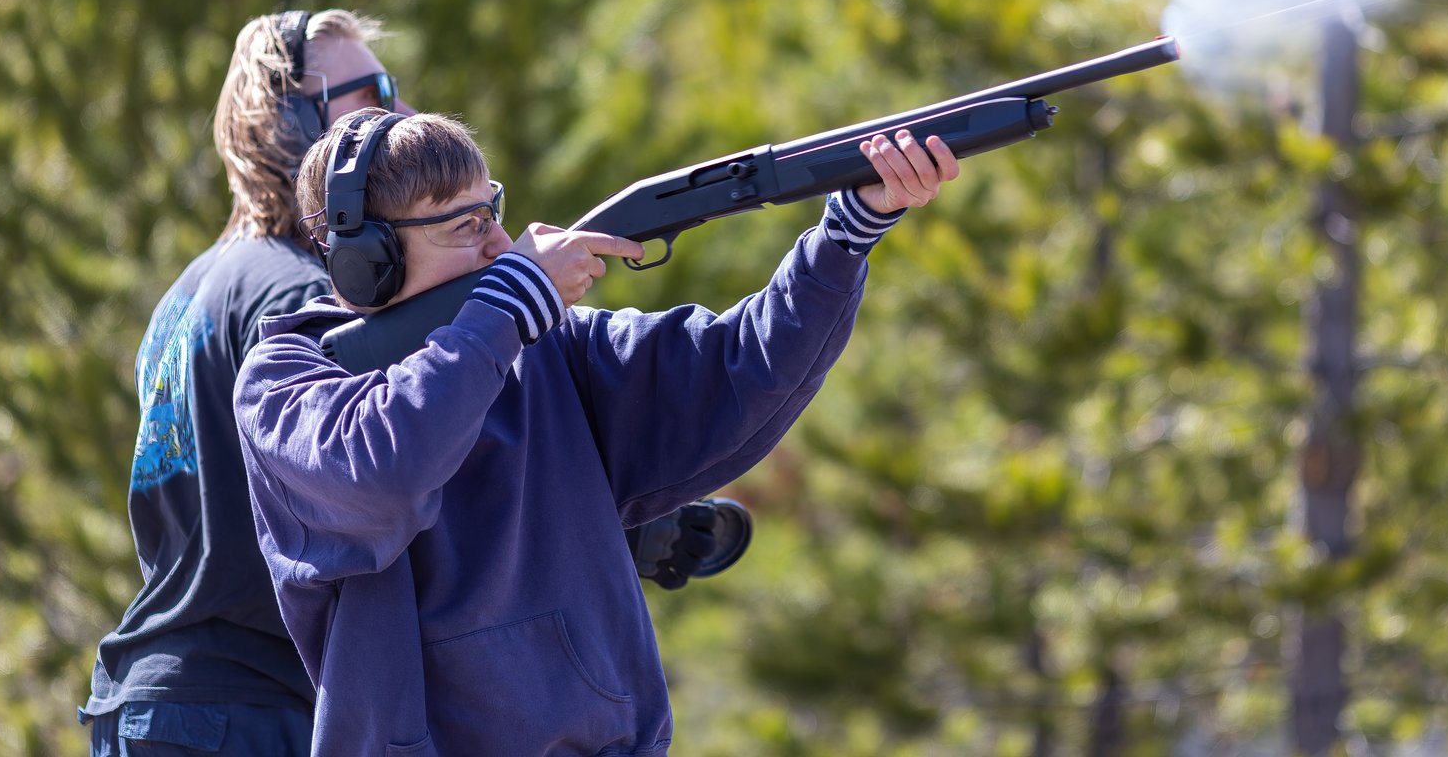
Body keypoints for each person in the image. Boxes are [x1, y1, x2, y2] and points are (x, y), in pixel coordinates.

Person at [80, 11, 740, 755]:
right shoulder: (304, 302)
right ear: (290, 117)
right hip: (255, 710)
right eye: (372, 91)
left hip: (155, 699)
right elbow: (388, 457)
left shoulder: (198, 287)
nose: (400, 111)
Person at [233, 108, 958, 755]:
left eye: (494, 214)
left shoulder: (544, 341)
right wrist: (508, 310)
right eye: (465, 226)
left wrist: (847, 233)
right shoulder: (287, 382)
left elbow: (738, 372)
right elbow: (383, 472)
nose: (500, 245)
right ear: (367, 265)